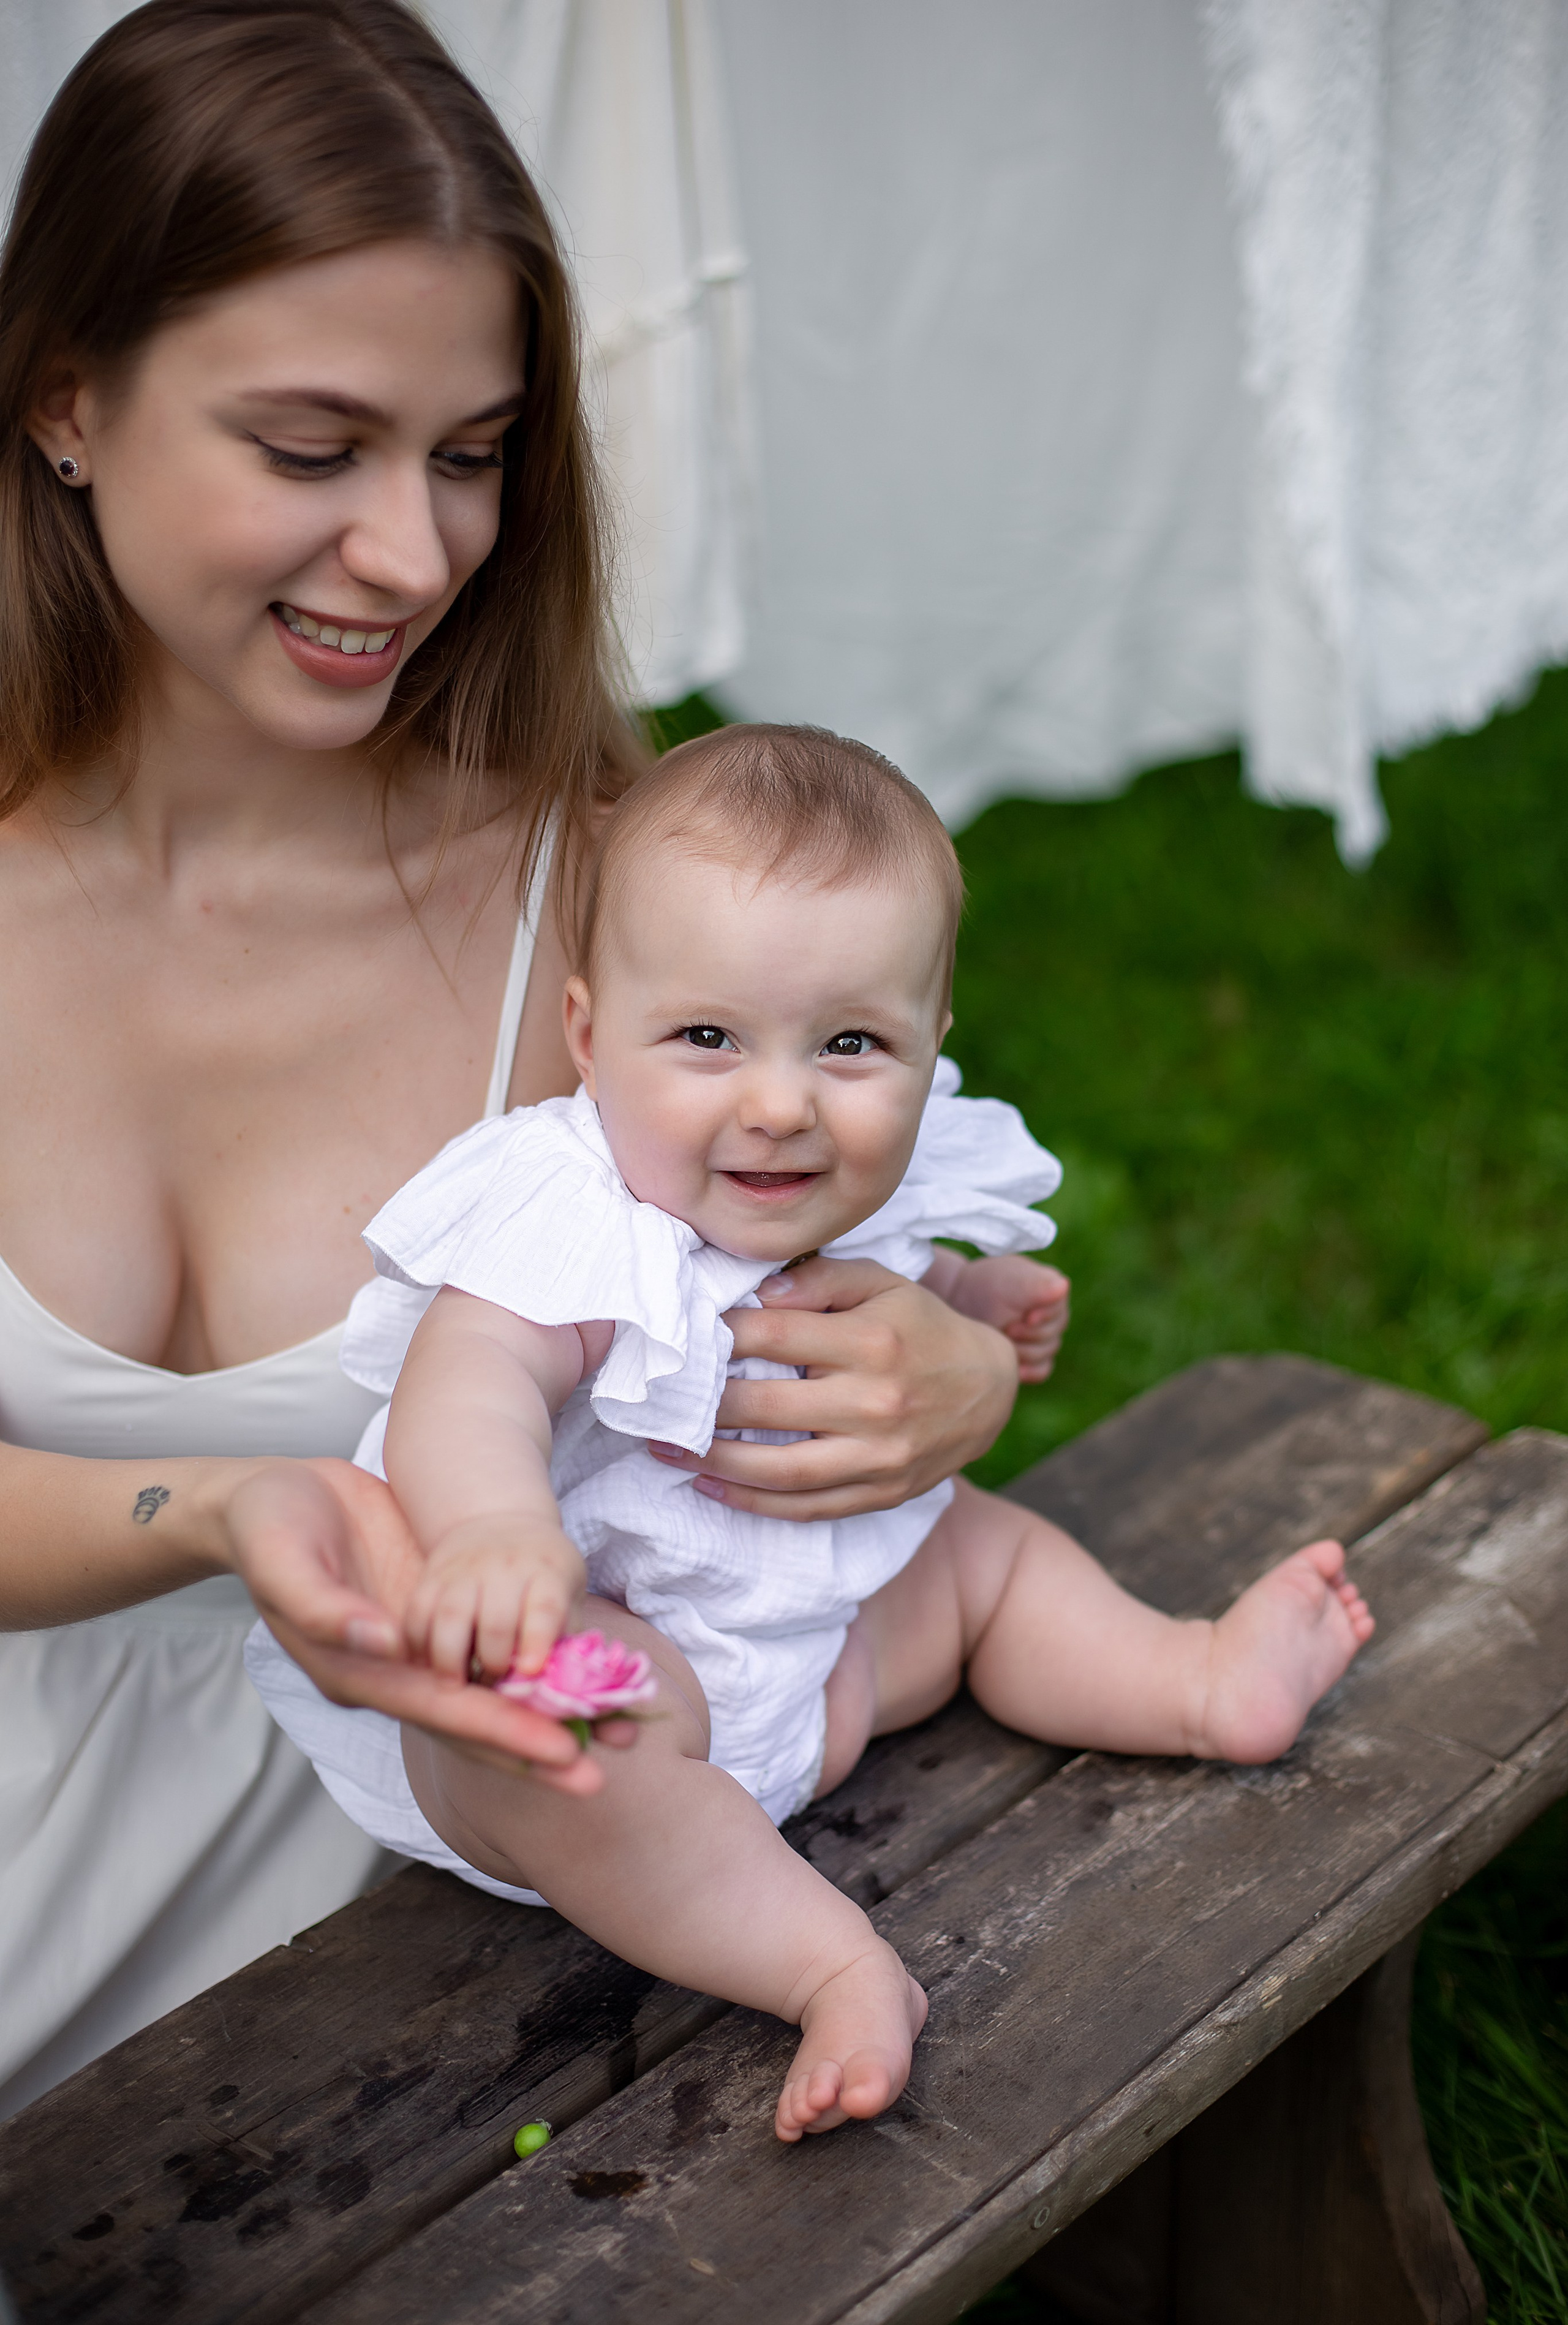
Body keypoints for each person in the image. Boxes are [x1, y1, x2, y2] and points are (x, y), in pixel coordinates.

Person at [0, 1, 1020, 2120]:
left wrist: (957, 1369)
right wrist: (223, 1508)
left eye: (473, 455)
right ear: (66, 401)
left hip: (488, 1878)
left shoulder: (606, 892)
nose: (417, 555)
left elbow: (843, 1219)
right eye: (312, 450)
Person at [249, 725, 1374, 2144]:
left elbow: (899, 1270)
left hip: (834, 1657)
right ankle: (831, 1965)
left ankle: (1193, 1681)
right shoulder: (576, 1212)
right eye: (707, 1038)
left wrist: (970, 1298)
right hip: (628, 1665)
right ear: (591, 1038)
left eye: (848, 1044)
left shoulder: (871, 1172)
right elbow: (472, 1376)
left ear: (928, 1047)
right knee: (555, 1744)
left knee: (985, 1562)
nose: (778, 1104)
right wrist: (491, 1533)